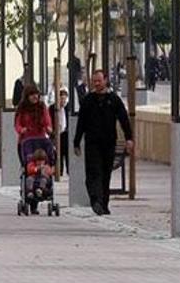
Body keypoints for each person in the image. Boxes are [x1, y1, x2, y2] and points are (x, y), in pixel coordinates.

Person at [73, 70, 133, 216]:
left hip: (109, 142)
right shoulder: (88, 100)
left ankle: (104, 204)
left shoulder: (113, 99)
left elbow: (124, 119)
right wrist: (76, 142)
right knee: (94, 172)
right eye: (94, 81)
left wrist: (129, 138)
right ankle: (96, 201)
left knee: (106, 173)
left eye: (99, 80)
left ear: (105, 80)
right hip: (92, 143)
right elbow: (81, 122)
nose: (97, 83)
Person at [14, 84, 54, 165]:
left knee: (49, 153)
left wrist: (48, 128)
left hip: (41, 138)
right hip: (26, 139)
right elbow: (17, 124)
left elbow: (47, 120)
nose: (35, 96)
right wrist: (22, 130)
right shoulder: (22, 108)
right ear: (27, 96)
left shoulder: (42, 106)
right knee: (28, 160)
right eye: (32, 95)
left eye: (36, 94)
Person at [48, 88, 70, 175]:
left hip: (66, 132)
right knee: (58, 153)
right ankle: (59, 171)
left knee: (67, 153)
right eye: (61, 98)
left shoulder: (68, 108)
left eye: (64, 99)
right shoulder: (52, 108)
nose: (63, 101)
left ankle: (69, 171)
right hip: (56, 133)